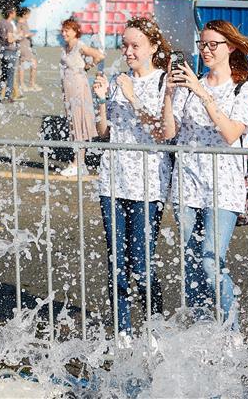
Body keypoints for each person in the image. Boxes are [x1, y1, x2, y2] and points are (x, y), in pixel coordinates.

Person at [161, 19, 248, 329]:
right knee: (190, 265)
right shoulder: (190, 84)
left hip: (223, 187)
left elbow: (230, 133)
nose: (206, 50)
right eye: (202, 44)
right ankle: (201, 331)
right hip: (187, 184)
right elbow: (169, 132)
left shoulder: (245, 87)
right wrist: (170, 95)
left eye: (213, 44)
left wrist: (202, 93)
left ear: (231, 48)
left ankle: (232, 328)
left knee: (211, 263)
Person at [91, 17, 172, 342]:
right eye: (124, 44)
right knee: (116, 262)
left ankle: (154, 329)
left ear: (153, 46)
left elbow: (161, 132)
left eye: (135, 45)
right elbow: (105, 132)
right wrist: (100, 102)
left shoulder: (163, 82)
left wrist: (132, 96)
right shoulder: (117, 78)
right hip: (112, 180)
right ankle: (122, 331)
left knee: (142, 262)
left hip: (147, 184)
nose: (128, 51)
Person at [58, 18, 104, 177]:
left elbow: (99, 56)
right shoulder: (66, 47)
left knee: (79, 125)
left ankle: (77, 163)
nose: (64, 33)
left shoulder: (79, 45)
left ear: (75, 31)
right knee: (74, 124)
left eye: (67, 30)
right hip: (69, 89)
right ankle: (79, 162)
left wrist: (87, 66)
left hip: (78, 88)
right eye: (63, 30)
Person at [0, 7, 21, 103]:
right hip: (10, 51)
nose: (15, 13)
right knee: (10, 75)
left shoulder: (1, 22)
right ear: (10, 13)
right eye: (14, 12)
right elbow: (9, 40)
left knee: (3, 74)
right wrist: (18, 37)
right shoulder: (9, 25)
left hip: (2, 50)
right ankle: (8, 96)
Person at [16, 7, 41, 93]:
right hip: (22, 46)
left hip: (27, 45)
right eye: (28, 14)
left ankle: (31, 83)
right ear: (24, 14)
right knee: (25, 64)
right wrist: (27, 35)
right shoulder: (19, 23)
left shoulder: (25, 22)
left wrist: (29, 35)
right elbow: (18, 36)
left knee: (32, 64)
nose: (29, 15)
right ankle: (23, 84)